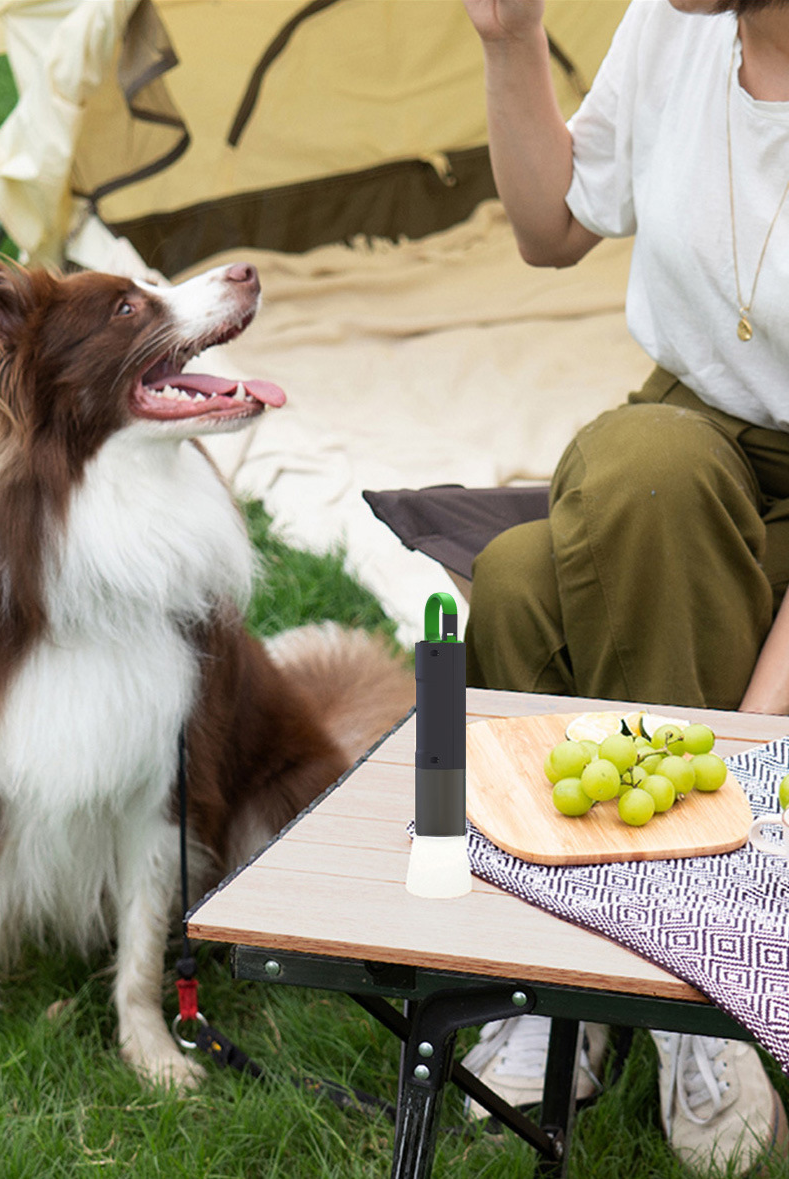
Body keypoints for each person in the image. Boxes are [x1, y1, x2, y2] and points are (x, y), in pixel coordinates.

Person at [459, 0, 789, 1173]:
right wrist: (509, 42)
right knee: (509, 581)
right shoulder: (673, 25)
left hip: (733, 492)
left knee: (639, 482)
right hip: (684, 446)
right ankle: (572, 967)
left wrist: (749, 742)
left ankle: (697, 981)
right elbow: (551, 228)